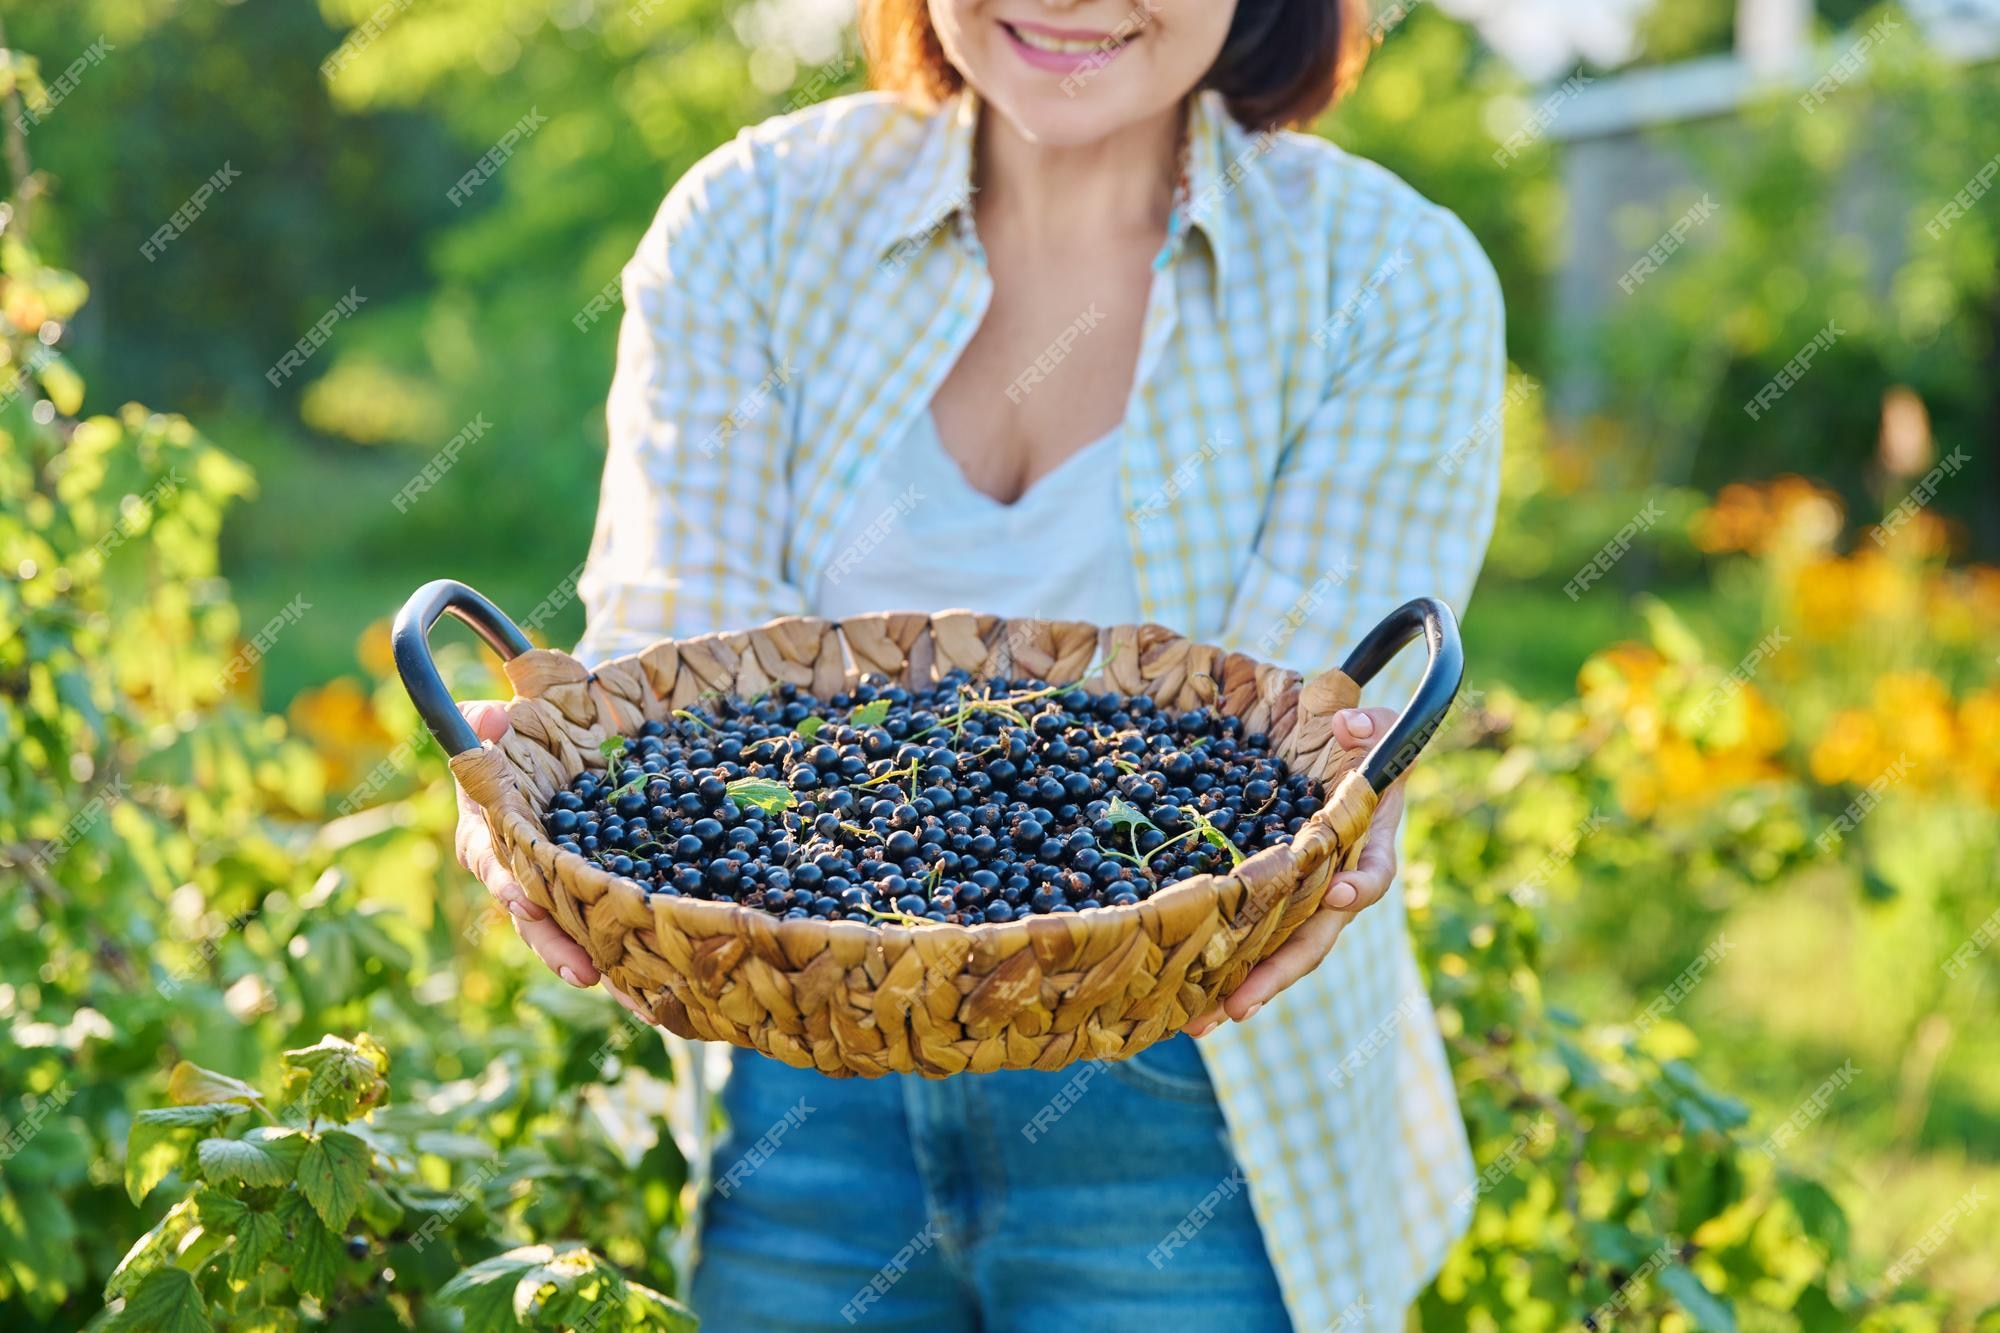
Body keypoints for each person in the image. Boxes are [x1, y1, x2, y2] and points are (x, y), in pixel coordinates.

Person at [452, 1, 1505, 1327]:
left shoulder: (1384, 274)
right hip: (797, 1080)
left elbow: (1290, 757)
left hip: (1191, 1113)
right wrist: (550, 806)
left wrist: (1347, 811)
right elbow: (671, 685)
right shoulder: (754, 223)